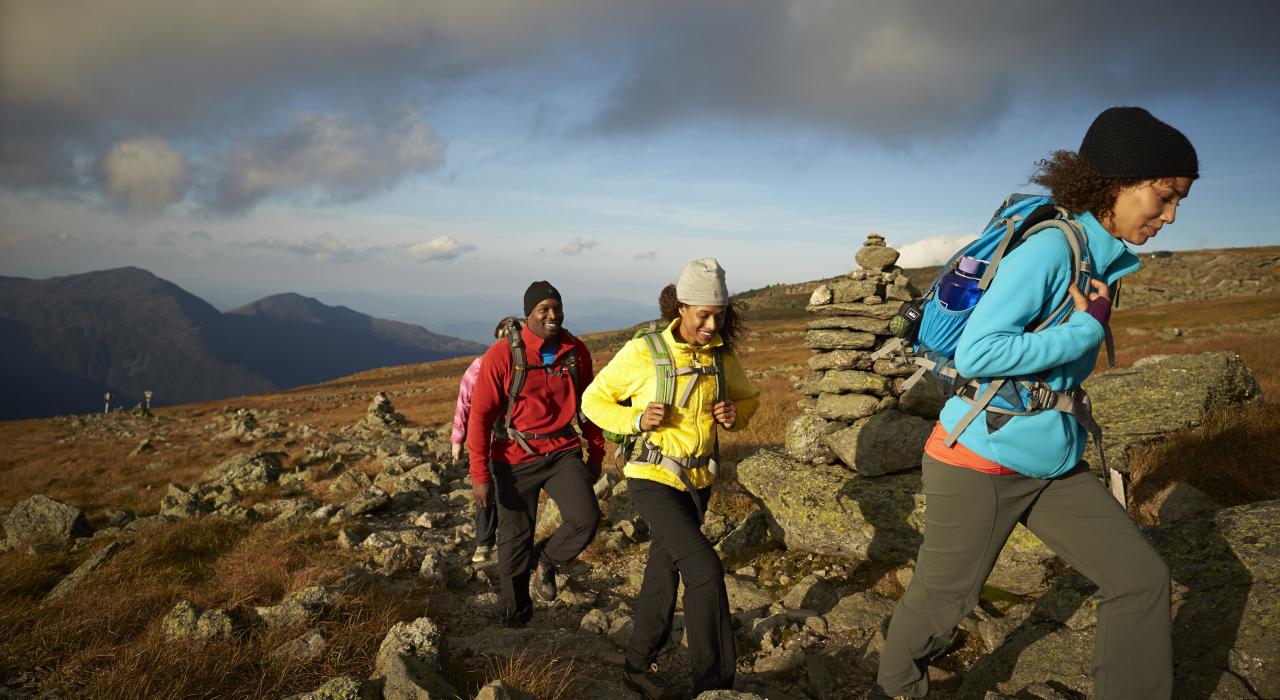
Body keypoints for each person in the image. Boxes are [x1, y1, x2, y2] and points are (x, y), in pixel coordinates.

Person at [873, 107, 1197, 699]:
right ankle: (893, 690)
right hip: (979, 457)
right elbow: (978, 353)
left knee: (1140, 578)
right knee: (945, 600)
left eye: (1180, 201)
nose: (1171, 215)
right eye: (1164, 195)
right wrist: (1085, 330)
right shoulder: (1052, 250)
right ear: (1117, 183)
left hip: (1052, 461)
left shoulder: (1100, 259)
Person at [582, 258, 760, 698]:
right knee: (705, 571)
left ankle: (637, 665)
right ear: (681, 309)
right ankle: (714, 686)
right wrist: (637, 419)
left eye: (720, 315)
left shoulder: (720, 356)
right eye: (704, 315)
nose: (712, 325)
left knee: (663, 573)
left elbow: (749, 399)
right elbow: (592, 400)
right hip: (651, 478)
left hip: (698, 484)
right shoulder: (644, 352)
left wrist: (734, 414)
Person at [467, 281, 605, 627]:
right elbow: (480, 418)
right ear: (528, 314)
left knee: (586, 517)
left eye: (557, 308)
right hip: (513, 458)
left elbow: (588, 407)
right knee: (514, 539)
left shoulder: (575, 351)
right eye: (544, 309)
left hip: (562, 453)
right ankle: (517, 615)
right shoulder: (502, 355)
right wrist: (480, 475)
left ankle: (546, 560)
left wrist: (596, 453)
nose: (552, 315)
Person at [450, 319, 512, 564]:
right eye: (504, 335)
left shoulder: (530, 365)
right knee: (487, 488)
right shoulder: (480, 366)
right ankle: (484, 543)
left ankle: (508, 543)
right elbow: (464, 403)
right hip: (488, 442)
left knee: (510, 491)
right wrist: (458, 439)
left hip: (519, 443)